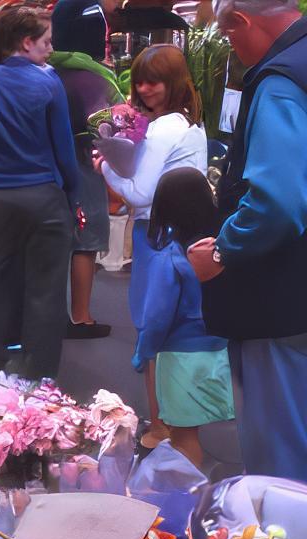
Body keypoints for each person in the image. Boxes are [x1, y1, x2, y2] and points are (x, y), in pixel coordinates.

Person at [188, 0, 307, 481]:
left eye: (231, 38)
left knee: (283, 466)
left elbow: (277, 201)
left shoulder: (280, 81)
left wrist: (223, 249)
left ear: (241, 21)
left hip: (282, 300)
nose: (234, 52)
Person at [98, 44, 207, 448]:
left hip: (158, 235)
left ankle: (161, 427)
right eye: (139, 79)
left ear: (172, 82)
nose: (143, 88)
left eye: (153, 80)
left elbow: (141, 194)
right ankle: (181, 428)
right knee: (186, 331)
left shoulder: (162, 129)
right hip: (188, 236)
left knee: (153, 331)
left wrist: (106, 165)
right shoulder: (191, 123)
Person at [0, 6, 79, 380]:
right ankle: (39, 375)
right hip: (44, 196)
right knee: (45, 291)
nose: (50, 48)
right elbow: (65, 152)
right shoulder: (48, 83)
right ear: (26, 42)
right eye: (45, 41)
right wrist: (73, 198)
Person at [133, 168, 234, 467]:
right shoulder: (219, 250)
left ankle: (188, 502)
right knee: (193, 431)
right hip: (218, 353)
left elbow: (156, 317)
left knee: (183, 438)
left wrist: (143, 353)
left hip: (181, 360)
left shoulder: (171, 258)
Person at [49, 18, 125, 339]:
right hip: (84, 165)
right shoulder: (98, 80)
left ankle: (49, 316)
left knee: (52, 244)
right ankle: (81, 317)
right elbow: (111, 129)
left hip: (48, 170)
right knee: (85, 244)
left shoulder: (45, 72)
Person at [51, 0, 120, 62]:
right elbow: (94, 54)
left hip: (59, 60)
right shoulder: (92, 10)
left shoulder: (66, 3)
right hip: (76, 65)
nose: (118, 2)